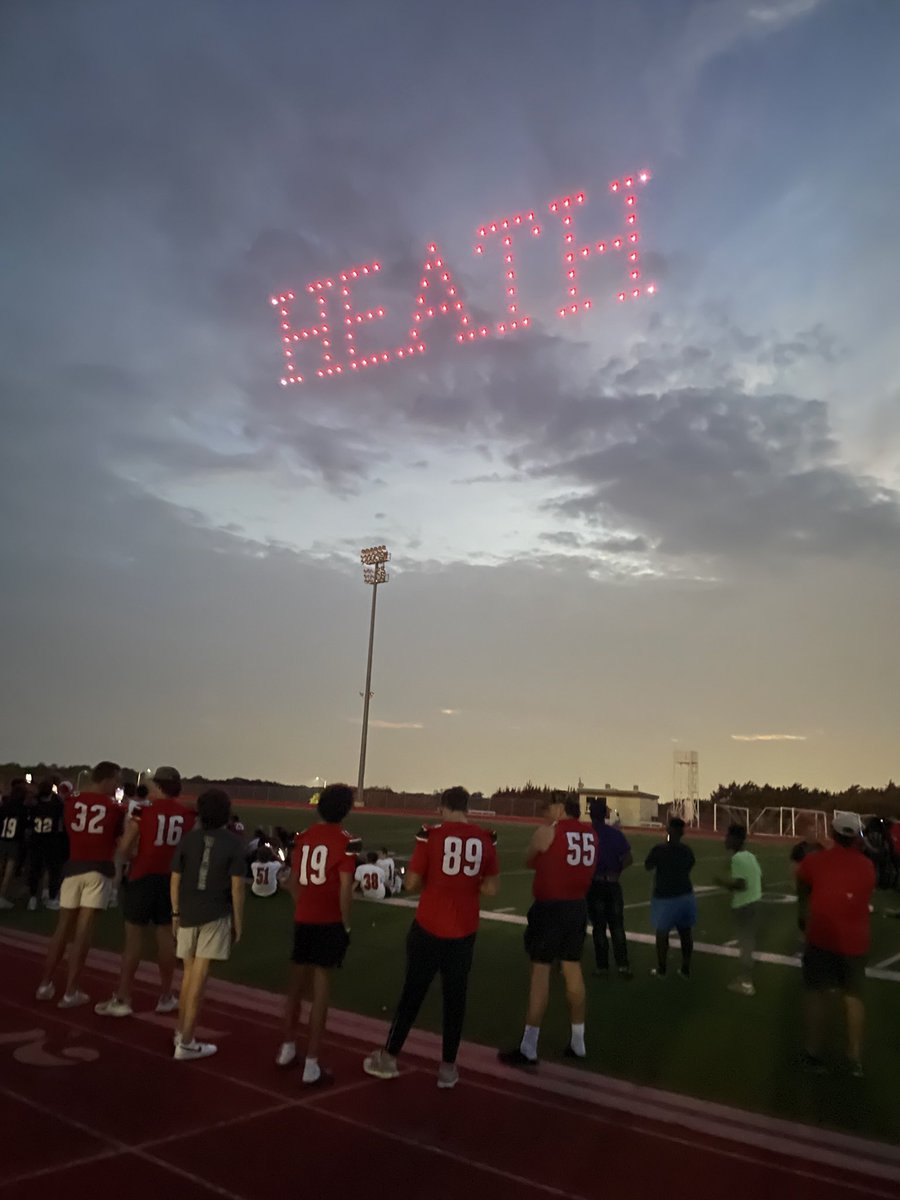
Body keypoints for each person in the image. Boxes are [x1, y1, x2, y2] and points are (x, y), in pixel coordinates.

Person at [364, 785, 499, 1090]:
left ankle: (390, 1056)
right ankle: (448, 1068)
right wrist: (465, 884)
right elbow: (491, 889)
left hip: (429, 925)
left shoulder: (430, 835)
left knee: (412, 994)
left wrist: (438, 881)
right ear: (467, 806)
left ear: (443, 806)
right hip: (464, 930)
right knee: (456, 1000)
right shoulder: (485, 838)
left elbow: (411, 883)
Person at [499, 793, 598, 1068]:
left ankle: (529, 1046)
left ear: (561, 808)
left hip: (551, 908)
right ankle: (578, 1041)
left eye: (550, 807)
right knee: (572, 970)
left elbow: (528, 859)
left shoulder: (548, 832)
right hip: (577, 907)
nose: (545, 812)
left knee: (540, 972)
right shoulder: (590, 834)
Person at [277, 783, 360, 1085]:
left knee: (295, 988)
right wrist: (345, 924)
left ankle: (287, 1048)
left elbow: (294, 881)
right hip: (328, 921)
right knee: (321, 993)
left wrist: (303, 906)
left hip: (304, 918)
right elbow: (345, 888)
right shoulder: (346, 841)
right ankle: (311, 1062)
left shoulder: (304, 838)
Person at [95, 767, 195, 1019]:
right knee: (165, 937)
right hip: (170, 880)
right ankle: (166, 995)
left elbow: (127, 846)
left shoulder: (143, 810)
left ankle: (123, 996)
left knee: (133, 940)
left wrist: (122, 863)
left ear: (158, 786)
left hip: (142, 877)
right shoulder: (187, 814)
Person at [36, 762, 124, 1006]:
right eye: (115, 780)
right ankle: (71, 990)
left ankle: (45, 983)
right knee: (83, 933)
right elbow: (119, 838)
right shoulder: (114, 808)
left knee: (62, 929)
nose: (117, 785)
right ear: (105, 779)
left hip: (73, 867)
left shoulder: (72, 802)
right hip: (98, 870)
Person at [796, 813, 876, 1077]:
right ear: (855, 836)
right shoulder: (867, 866)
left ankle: (814, 1055)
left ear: (832, 833)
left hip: (821, 937)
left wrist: (803, 913)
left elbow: (802, 881)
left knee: (818, 995)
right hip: (854, 942)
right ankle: (854, 1058)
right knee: (853, 997)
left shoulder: (814, 861)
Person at [170, 789, 246, 1061]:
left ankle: (181, 1032)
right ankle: (187, 1040)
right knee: (199, 979)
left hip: (188, 912)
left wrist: (176, 914)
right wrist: (239, 922)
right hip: (215, 914)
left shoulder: (189, 840)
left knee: (188, 976)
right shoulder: (234, 843)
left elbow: (175, 879)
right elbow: (237, 888)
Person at [585, 798, 633, 979]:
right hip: (612, 884)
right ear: (605, 814)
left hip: (594, 884)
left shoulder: (587, 834)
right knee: (617, 927)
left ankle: (602, 966)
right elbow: (628, 858)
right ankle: (623, 965)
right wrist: (616, 871)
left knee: (598, 927)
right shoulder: (615, 834)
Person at [644, 818, 696, 978]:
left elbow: (648, 866)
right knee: (685, 933)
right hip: (685, 896)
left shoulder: (659, 849)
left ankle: (662, 968)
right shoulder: (687, 850)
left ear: (668, 830)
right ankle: (685, 968)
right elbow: (690, 865)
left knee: (662, 934)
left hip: (665, 897)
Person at [714, 824, 762, 996]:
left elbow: (741, 884)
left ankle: (746, 982)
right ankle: (745, 978)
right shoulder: (750, 856)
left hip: (744, 906)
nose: (725, 839)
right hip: (754, 903)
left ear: (735, 839)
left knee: (746, 944)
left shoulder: (738, 859)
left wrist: (722, 883)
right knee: (748, 943)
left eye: (728, 836)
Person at [26, 779, 67, 911]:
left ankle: (32, 898)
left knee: (35, 870)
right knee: (54, 870)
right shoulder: (56, 806)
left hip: (36, 840)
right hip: (51, 841)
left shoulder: (34, 805)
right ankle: (51, 897)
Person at [0, 779, 30, 909]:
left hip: (2, 840)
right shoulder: (22, 810)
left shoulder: (4, 807)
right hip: (14, 842)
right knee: (8, 872)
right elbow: (25, 827)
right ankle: (2, 896)